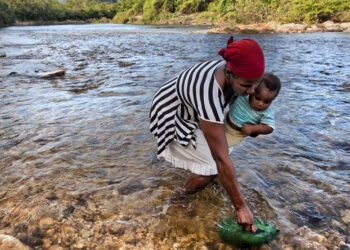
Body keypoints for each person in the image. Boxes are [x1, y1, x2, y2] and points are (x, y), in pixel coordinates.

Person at [150, 37, 265, 232]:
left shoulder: (233, 72)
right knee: (212, 166)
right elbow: (220, 158)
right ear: (229, 73)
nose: (252, 91)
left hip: (193, 109)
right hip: (173, 113)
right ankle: (178, 198)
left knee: (219, 154)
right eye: (247, 85)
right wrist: (241, 206)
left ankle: (197, 177)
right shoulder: (208, 92)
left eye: (256, 84)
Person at [225, 72, 281, 147]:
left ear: (273, 99)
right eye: (257, 98)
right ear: (252, 90)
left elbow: (270, 127)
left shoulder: (266, 113)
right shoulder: (245, 95)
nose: (261, 104)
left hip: (236, 133)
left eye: (267, 101)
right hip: (225, 120)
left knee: (222, 145)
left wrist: (254, 129)